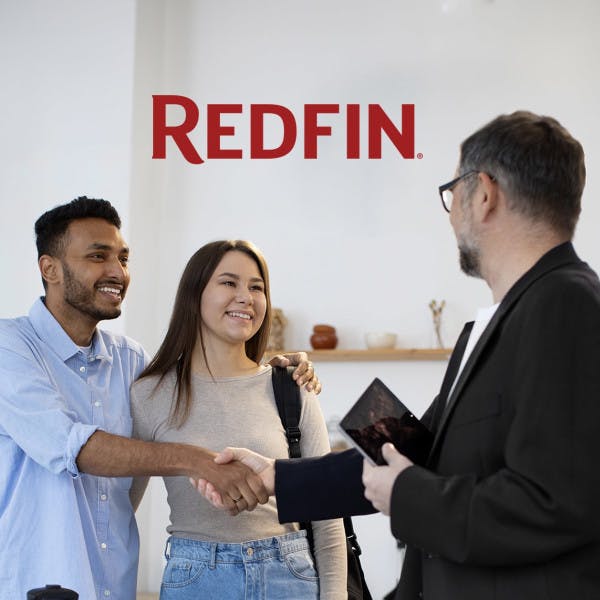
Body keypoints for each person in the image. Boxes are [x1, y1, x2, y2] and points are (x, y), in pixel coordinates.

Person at [198, 111, 600, 599]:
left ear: (485, 194)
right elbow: (411, 445)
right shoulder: (492, 322)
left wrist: (408, 496)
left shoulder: (566, 302)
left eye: (453, 196)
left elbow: (556, 502)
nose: (452, 215)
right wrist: (278, 475)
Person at [0, 197, 319, 599]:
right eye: (98, 256)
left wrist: (276, 370)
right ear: (50, 269)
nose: (117, 272)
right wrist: (198, 460)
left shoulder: (130, 360)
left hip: (113, 585)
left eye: (123, 258)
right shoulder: (9, 348)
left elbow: (201, 384)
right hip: (35, 579)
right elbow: (72, 446)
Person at [129, 240, 347, 599]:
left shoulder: (292, 387)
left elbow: (328, 514)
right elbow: (122, 511)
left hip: (288, 576)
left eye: (256, 287)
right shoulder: (150, 394)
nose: (246, 297)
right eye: (229, 283)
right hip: (195, 581)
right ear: (194, 293)